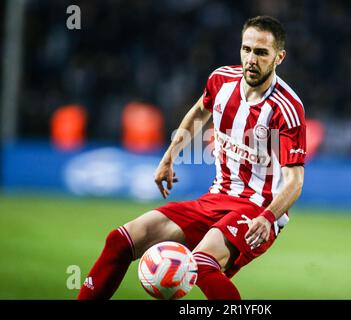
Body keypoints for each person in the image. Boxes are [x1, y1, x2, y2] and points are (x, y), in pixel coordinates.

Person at [77, 15, 306, 300]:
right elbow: (199, 111)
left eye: (261, 52)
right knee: (120, 241)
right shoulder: (221, 79)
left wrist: (268, 217)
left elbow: (294, 182)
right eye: (246, 49)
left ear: (279, 57)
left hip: (257, 207)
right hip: (215, 198)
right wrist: (169, 157)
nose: (251, 59)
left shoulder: (287, 108)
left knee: (203, 263)